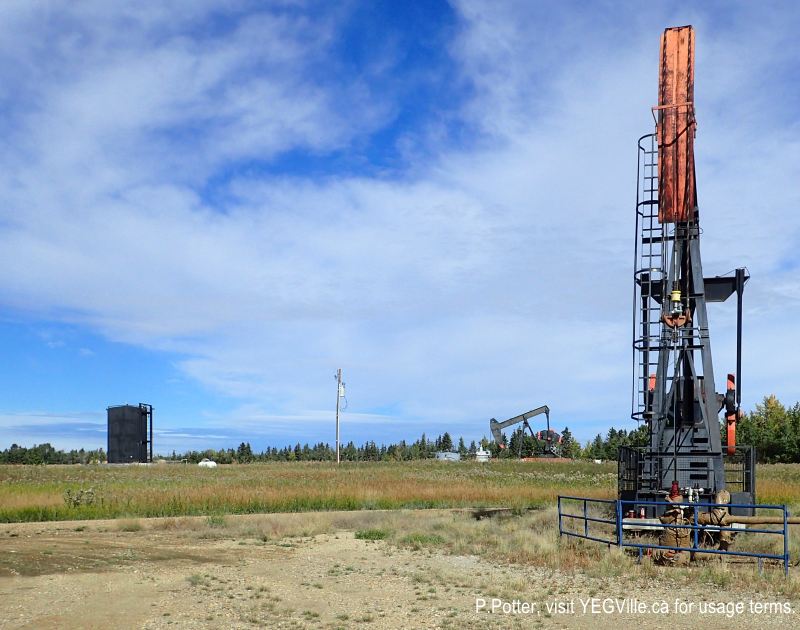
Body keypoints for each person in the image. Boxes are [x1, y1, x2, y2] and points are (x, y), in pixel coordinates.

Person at [653, 491, 691, 566]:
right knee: (664, 553)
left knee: (682, 557)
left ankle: (674, 559)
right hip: (668, 548)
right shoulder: (667, 518)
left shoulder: (686, 519)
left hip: (682, 550)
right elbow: (663, 519)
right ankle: (670, 558)